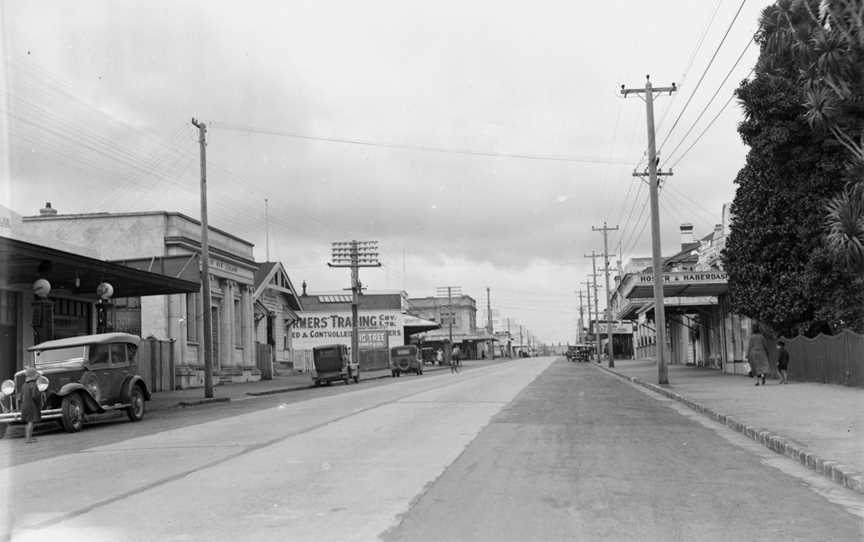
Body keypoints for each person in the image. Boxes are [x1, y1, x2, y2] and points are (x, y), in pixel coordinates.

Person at [21, 367, 42, 443]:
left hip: (25, 406)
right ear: (33, 376)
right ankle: (28, 439)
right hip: (32, 406)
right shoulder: (33, 385)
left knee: (28, 422)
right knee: (31, 422)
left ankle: (28, 437)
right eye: (36, 374)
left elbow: (21, 397)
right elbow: (35, 396)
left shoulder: (24, 385)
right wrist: (39, 402)